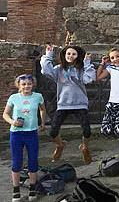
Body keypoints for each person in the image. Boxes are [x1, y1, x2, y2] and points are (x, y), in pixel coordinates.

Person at [40, 44, 96, 164]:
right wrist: (48, 55)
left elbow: (89, 79)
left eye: (74, 54)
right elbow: (46, 71)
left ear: (78, 56)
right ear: (64, 55)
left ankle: (85, 147)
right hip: (63, 104)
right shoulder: (59, 69)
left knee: (87, 131)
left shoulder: (81, 69)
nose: (71, 56)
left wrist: (87, 63)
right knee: (53, 132)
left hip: (80, 104)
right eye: (68, 53)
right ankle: (60, 145)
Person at [4, 74, 46, 202]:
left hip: (32, 133)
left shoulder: (38, 96)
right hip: (16, 134)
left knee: (33, 161)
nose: (26, 86)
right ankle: (16, 191)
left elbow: (42, 110)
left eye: (29, 83)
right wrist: (12, 122)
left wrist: (43, 123)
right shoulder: (14, 97)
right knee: (17, 162)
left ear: (33, 84)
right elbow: (5, 114)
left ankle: (32, 189)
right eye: (23, 84)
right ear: (19, 85)